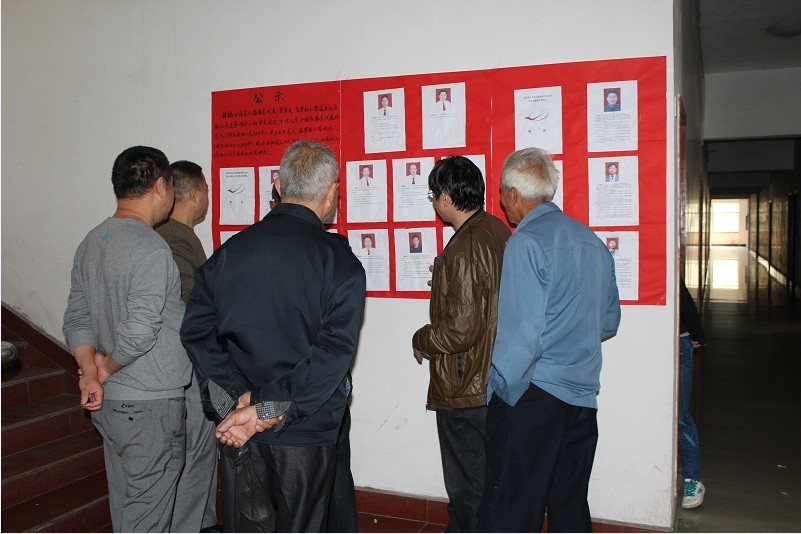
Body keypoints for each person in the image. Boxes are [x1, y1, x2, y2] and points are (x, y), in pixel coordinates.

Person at [181, 140, 366, 532]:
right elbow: (332, 355)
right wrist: (263, 407)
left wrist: (240, 400)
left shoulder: (230, 253)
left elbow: (197, 332)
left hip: (238, 426)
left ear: (279, 186)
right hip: (303, 430)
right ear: (332, 192)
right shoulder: (339, 262)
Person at [479, 147, 621, 533]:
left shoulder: (525, 242)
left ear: (513, 195)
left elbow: (520, 338)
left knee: (511, 510)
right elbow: (609, 322)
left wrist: (502, 392)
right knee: (569, 507)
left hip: (533, 397)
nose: (502, 202)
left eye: (502, 194)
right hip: (581, 398)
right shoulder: (592, 242)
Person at [63, 146, 192, 532]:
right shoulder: (150, 247)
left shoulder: (92, 241)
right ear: (161, 186)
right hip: (149, 403)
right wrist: (106, 366)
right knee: (147, 519)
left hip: (112, 404)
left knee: (128, 511)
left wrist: (89, 371)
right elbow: (139, 331)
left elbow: (76, 318)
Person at [412, 156, 510, 532]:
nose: (434, 203)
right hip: (493, 377)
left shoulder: (465, 247)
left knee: (467, 486)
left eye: (433, 195)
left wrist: (421, 338)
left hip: (465, 384)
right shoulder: (495, 230)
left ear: (447, 197)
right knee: (485, 480)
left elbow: (460, 331)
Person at [269, 175, 359, 533]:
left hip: (285, 394)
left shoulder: (250, 251)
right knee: (323, 485)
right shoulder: (333, 251)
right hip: (313, 393)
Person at [154, 160, 219, 533]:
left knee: (199, 451)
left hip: (189, 360)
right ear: (194, 194)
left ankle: (200, 523)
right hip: (183, 362)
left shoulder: (180, 234)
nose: (209, 197)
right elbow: (188, 301)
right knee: (194, 452)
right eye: (207, 190)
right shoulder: (171, 238)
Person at [679, 278, 708, 509]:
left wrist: (697, 334)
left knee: (679, 415)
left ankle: (693, 479)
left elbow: (684, 300)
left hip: (678, 343)